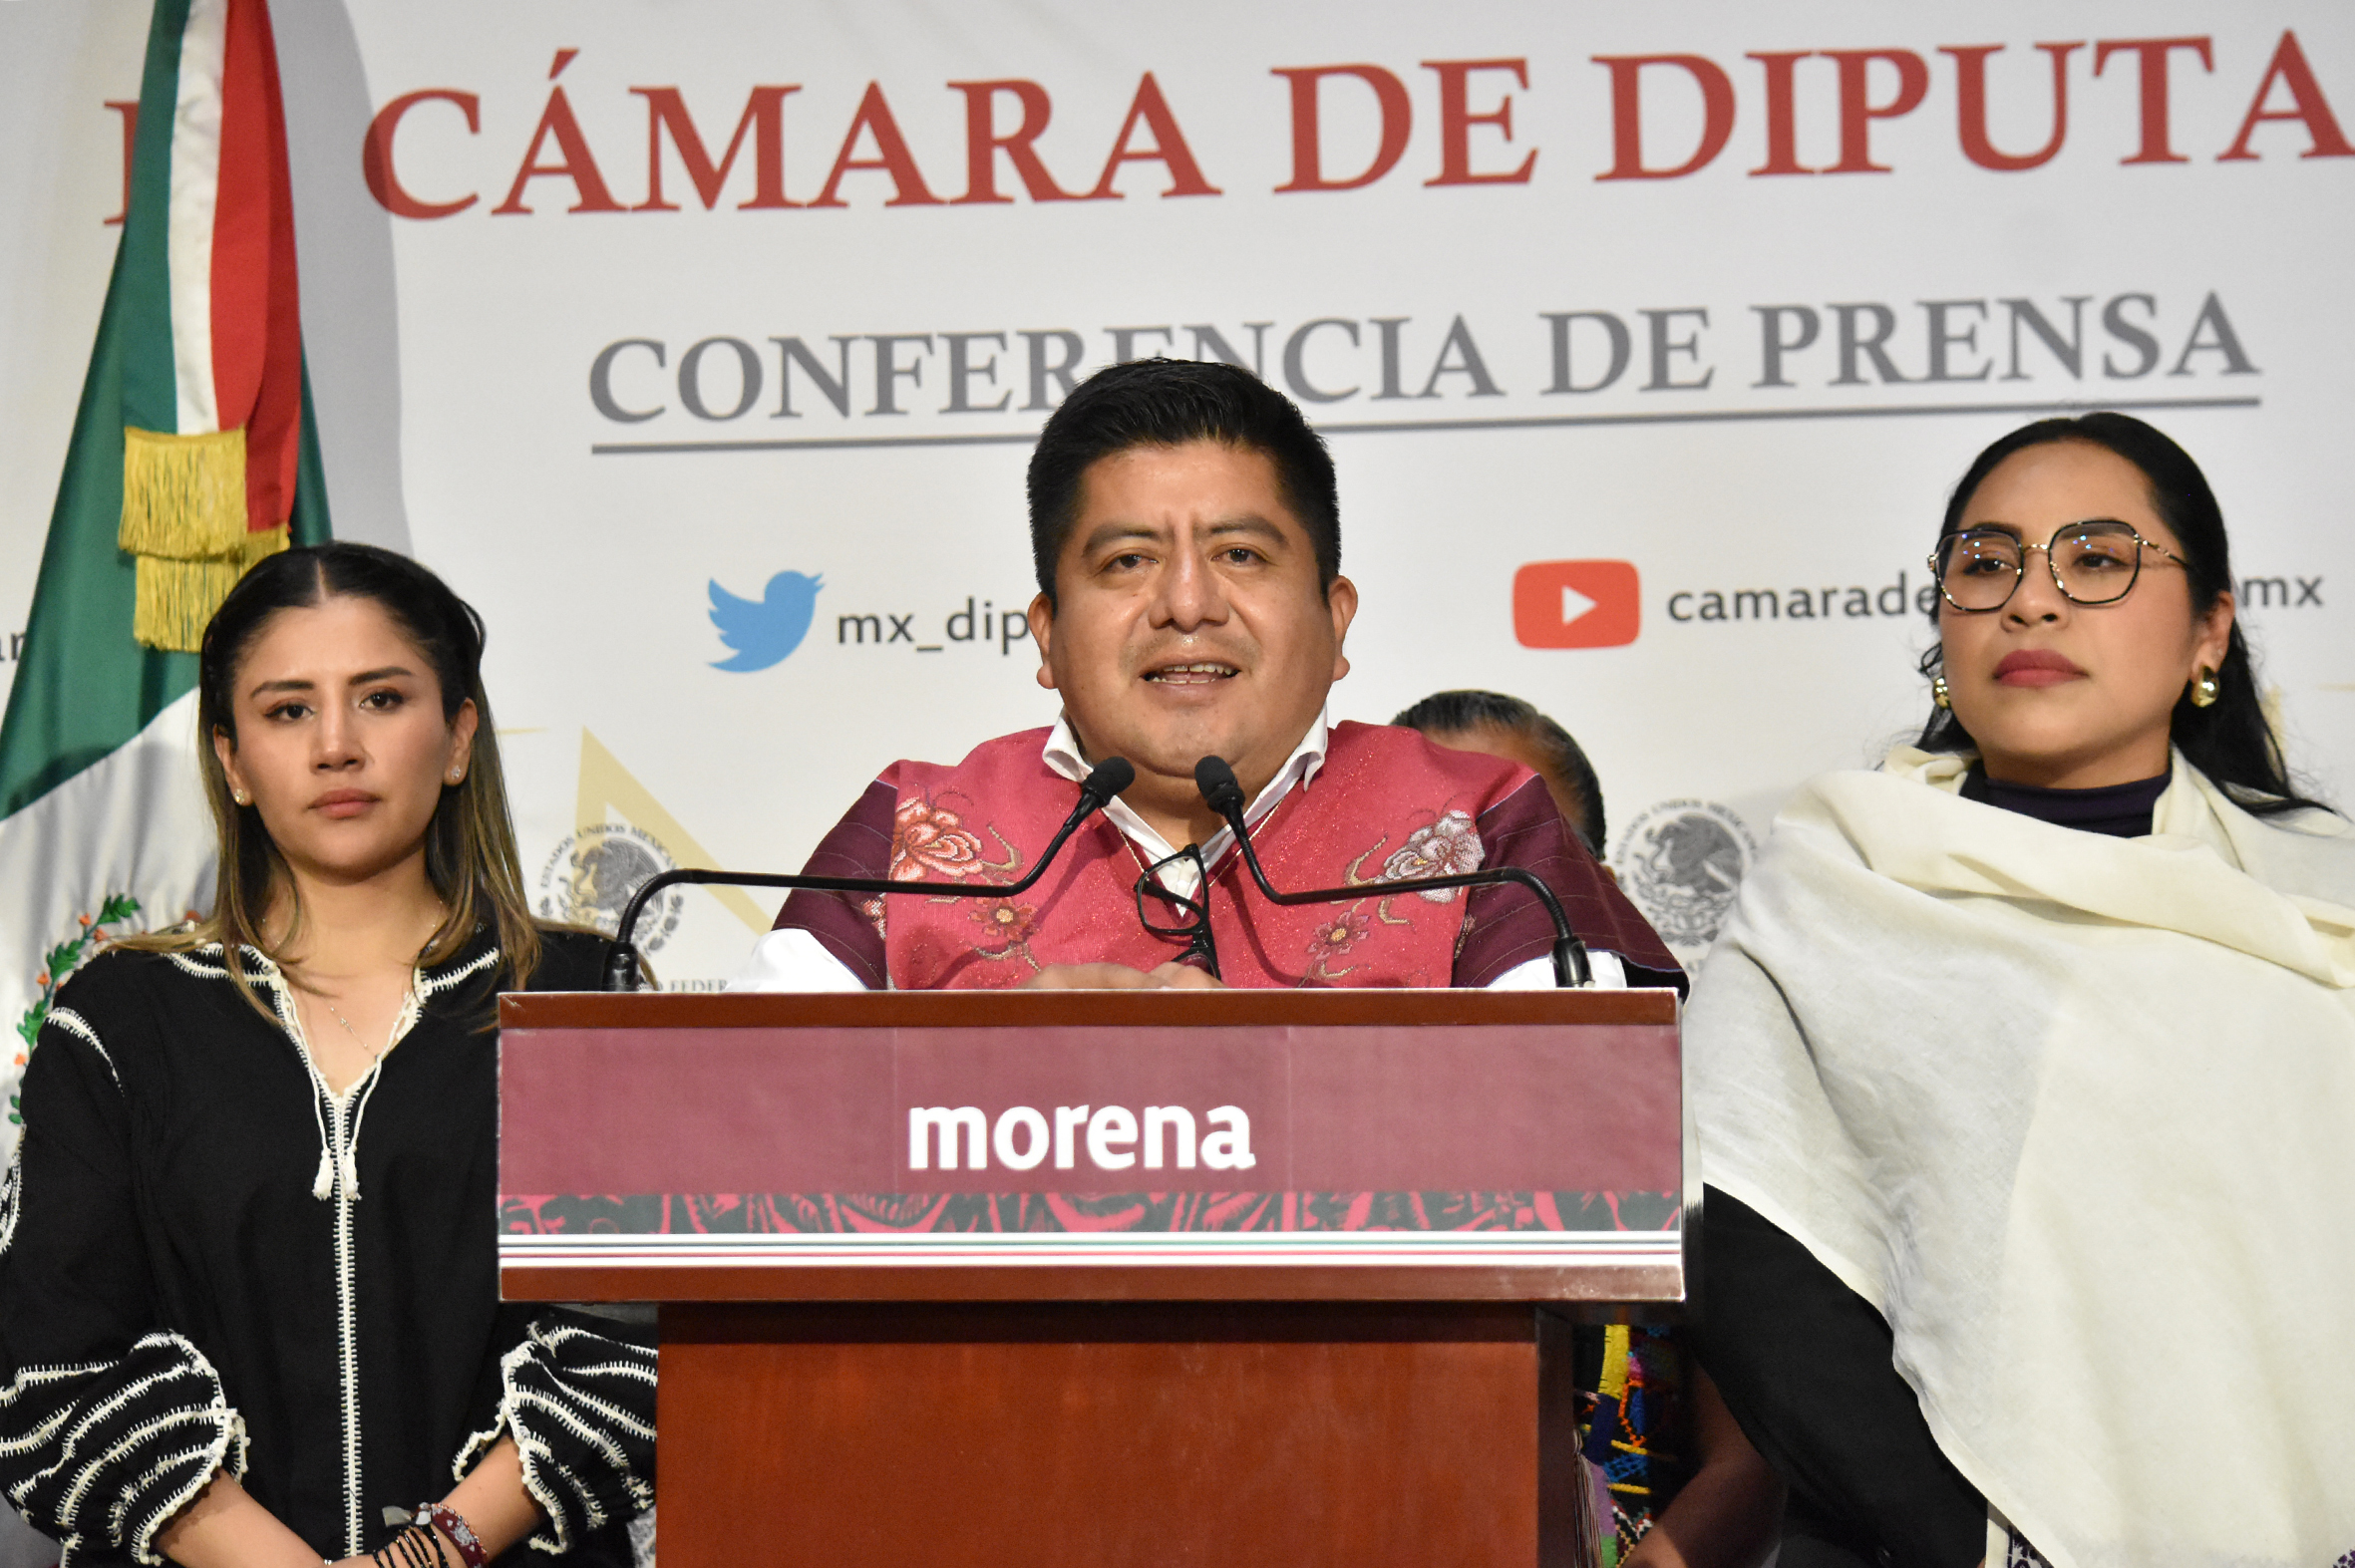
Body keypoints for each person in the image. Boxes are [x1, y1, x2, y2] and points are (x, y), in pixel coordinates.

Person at [1685, 414, 2355, 1567]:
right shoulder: (1831, 890)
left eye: (2095, 559)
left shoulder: (2324, 904)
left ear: (2209, 630)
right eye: (1987, 563)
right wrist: (1985, 1541)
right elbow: (1755, 1260)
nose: (2031, 601)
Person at [0, 544, 654, 1566]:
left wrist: (431, 1552)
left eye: (381, 699)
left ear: (458, 737)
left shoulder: (583, 999)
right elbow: (51, 1376)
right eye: (289, 709)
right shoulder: (119, 1020)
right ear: (232, 761)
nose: (337, 746)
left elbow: (637, 1348)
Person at [732, 358, 1678, 994]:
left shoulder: (1488, 828)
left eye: (1240, 554)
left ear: (1335, 620)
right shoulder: (907, 838)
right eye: (1128, 561)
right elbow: (746, 1130)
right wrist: (990, 1073)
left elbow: (1582, 1139)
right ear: (1048, 636)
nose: (1187, 603)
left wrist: (1241, 1073)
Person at [1398, 689, 1782, 1568]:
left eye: (1533, 852)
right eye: (1438, 857)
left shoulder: (1696, 1110)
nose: (1484, 901)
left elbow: (1752, 1456)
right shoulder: (1311, 1123)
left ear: (1600, 885)